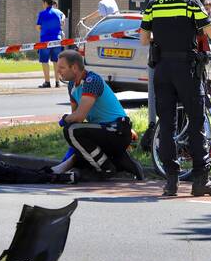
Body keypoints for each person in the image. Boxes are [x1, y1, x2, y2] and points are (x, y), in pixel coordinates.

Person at [140, 0, 211, 197]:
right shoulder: (190, 2)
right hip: (186, 69)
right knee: (196, 122)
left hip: (162, 69)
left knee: (167, 125)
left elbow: (143, 39)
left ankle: (171, 182)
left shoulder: (154, 3)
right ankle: (201, 181)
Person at [49, 50, 142, 179]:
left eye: (62, 68)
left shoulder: (91, 81)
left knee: (71, 130)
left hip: (117, 130)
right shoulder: (71, 85)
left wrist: (65, 119)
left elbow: (79, 116)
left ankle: (106, 169)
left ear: (74, 68)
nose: (58, 71)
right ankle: (124, 164)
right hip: (104, 130)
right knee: (74, 133)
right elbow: (76, 119)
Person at [36, 0, 65, 88]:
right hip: (57, 40)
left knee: (45, 61)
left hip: (45, 41)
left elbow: (38, 27)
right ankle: (57, 82)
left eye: (42, 3)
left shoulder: (42, 14)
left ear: (45, 3)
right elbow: (63, 19)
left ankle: (47, 82)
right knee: (56, 61)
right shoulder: (58, 12)